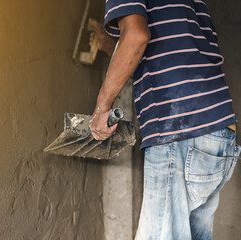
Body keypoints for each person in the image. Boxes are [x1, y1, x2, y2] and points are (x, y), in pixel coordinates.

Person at [88, 0, 240, 239]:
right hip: (218, 128)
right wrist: (113, 45)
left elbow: (136, 36)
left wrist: (102, 106)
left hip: (179, 128)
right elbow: (171, 42)